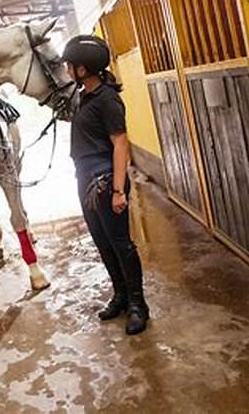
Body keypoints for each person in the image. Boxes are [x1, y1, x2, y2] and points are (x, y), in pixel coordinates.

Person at [62, 35, 150, 335]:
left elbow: (120, 142)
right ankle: (121, 296)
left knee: (121, 244)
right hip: (85, 179)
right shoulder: (84, 97)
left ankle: (139, 305)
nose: (66, 70)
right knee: (102, 242)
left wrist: (117, 189)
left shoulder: (107, 99)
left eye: (69, 66)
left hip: (105, 181)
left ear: (83, 69)